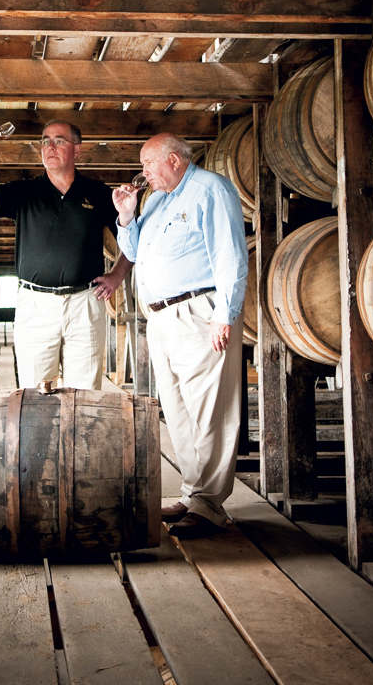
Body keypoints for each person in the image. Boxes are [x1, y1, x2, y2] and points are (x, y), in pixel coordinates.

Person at [112, 133, 248, 540]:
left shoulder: (211, 189)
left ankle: (209, 504)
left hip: (197, 312)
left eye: (148, 164)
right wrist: (126, 216)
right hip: (161, 318)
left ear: (173, 159)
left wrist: (224, 315)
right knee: (179, 410)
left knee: (210, 408)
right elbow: (135, 252)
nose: (144, 173)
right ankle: (192, 494)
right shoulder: (156, 200)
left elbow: (230, 254)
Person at [0, 120, 132, 390]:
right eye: (45, 141)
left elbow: (132, 240)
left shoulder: (100, 194)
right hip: (35, 303)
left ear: (77, 150)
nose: (50, 146)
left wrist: (117, 275)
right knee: (35, 391)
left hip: (85, 302)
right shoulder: (26, 191)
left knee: (84, 393)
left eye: (59, 140)